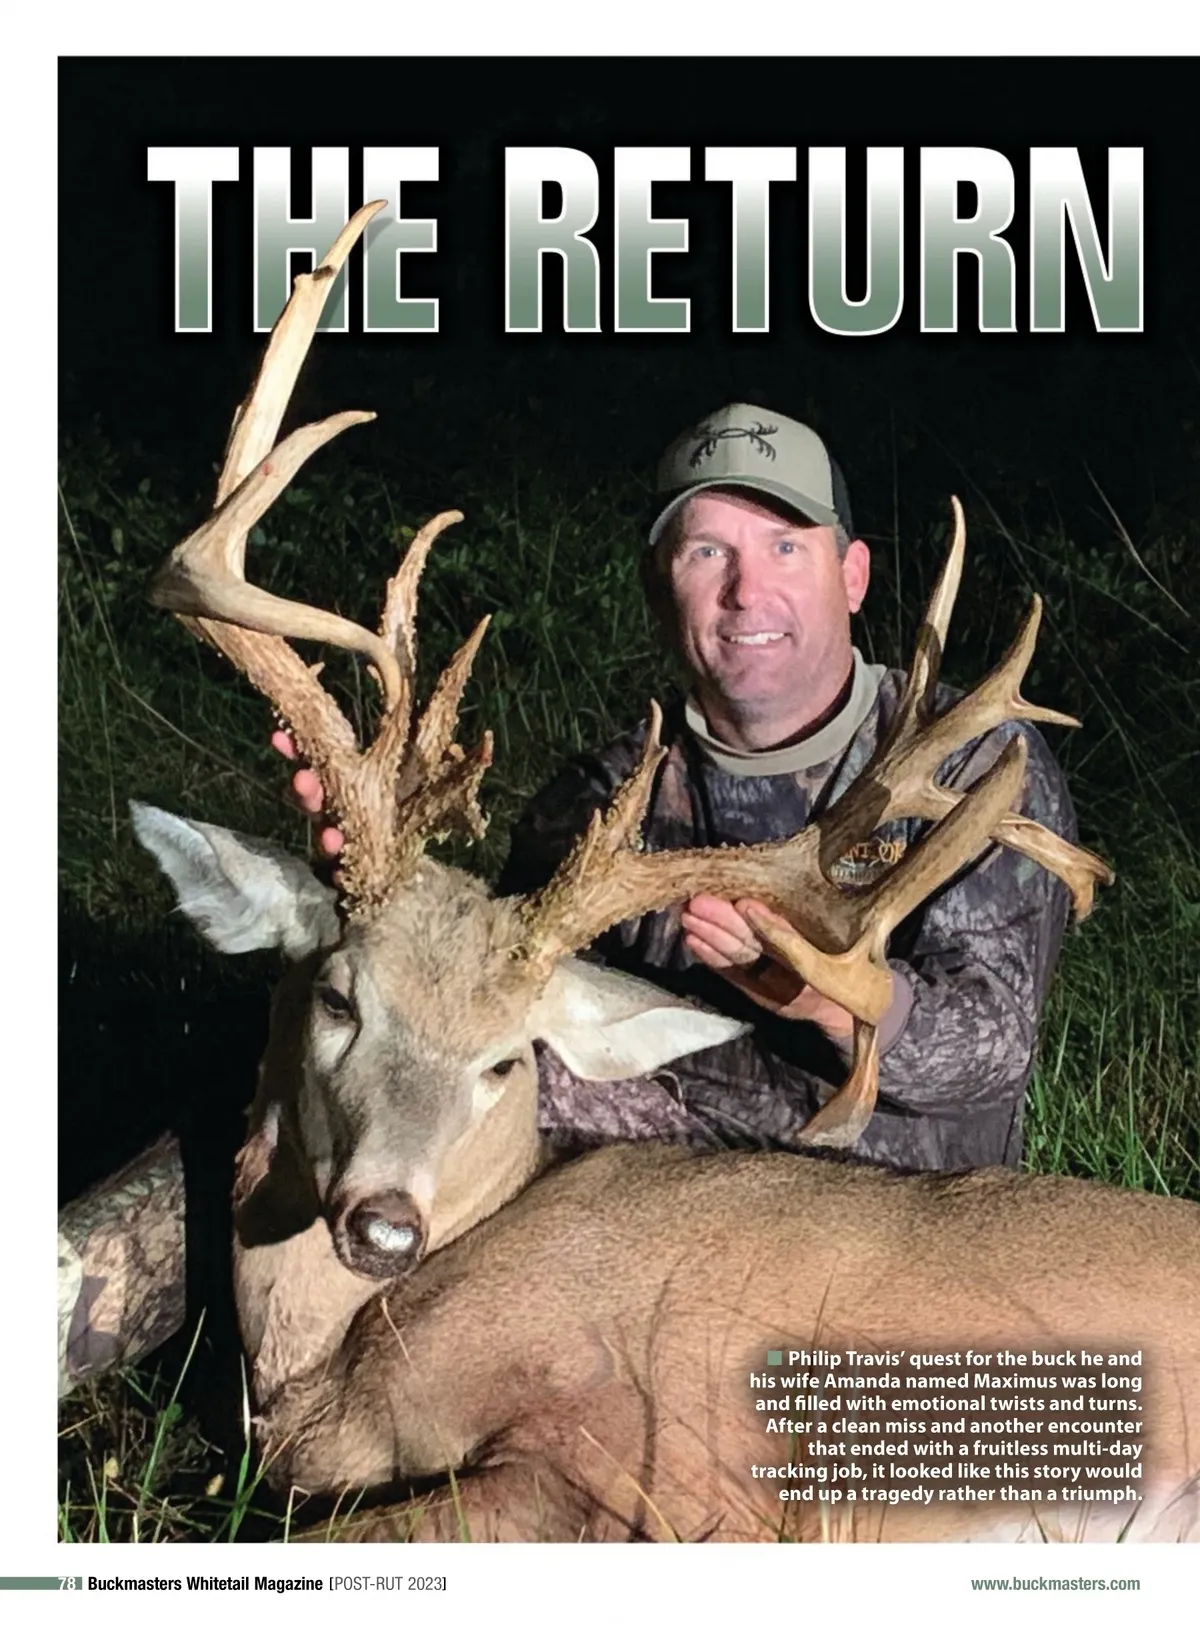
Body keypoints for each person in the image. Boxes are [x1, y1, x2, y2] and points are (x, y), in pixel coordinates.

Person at [283, 404, 1080, 1173]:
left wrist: (830, 998)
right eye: (707, 552)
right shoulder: (599, 802)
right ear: (659, 587)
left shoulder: (970, 763)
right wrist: (379, 880)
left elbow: (992, 1059)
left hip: (901, 1208)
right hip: (662, 1182)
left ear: (853, 576)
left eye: (785, 547)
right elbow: (488, 998)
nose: (746, 590)